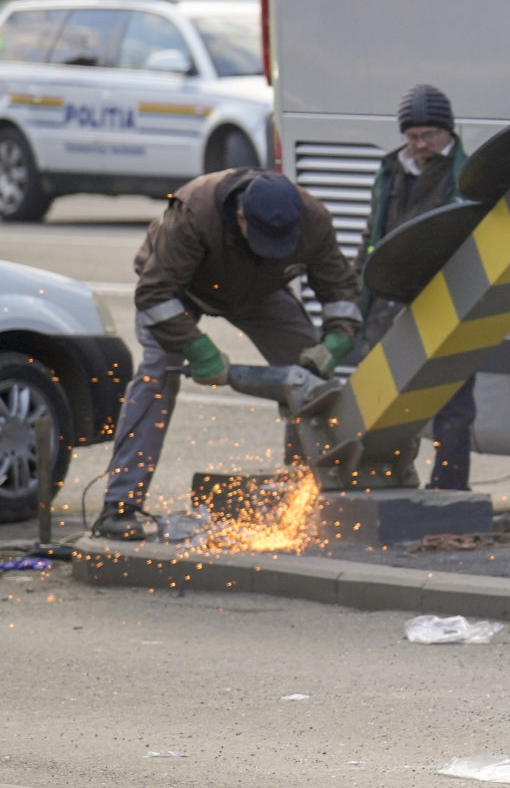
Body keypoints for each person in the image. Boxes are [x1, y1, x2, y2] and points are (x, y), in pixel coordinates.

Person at [92, 168, 363, 540]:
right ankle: (120, 505)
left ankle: (303, 494)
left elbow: (341, 295)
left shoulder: (312, 219)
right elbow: (155, 296)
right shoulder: (194, 213)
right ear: (240, 217)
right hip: (178, 292)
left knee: (311, 384)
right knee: (159, 375)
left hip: (258, 292)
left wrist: (334, 344)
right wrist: (199, 350)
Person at [361, 84, 475, 491]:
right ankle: (389, 484)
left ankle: (449, 490)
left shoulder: (467, 175)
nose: (421, 144)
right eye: (413, 137)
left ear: (448, 132)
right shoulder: (390, 170)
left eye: (430, 135)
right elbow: (372, 237)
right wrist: (361, 302)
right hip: (389, 307)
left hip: (448, 306)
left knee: (453, 406)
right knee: (385, 404)